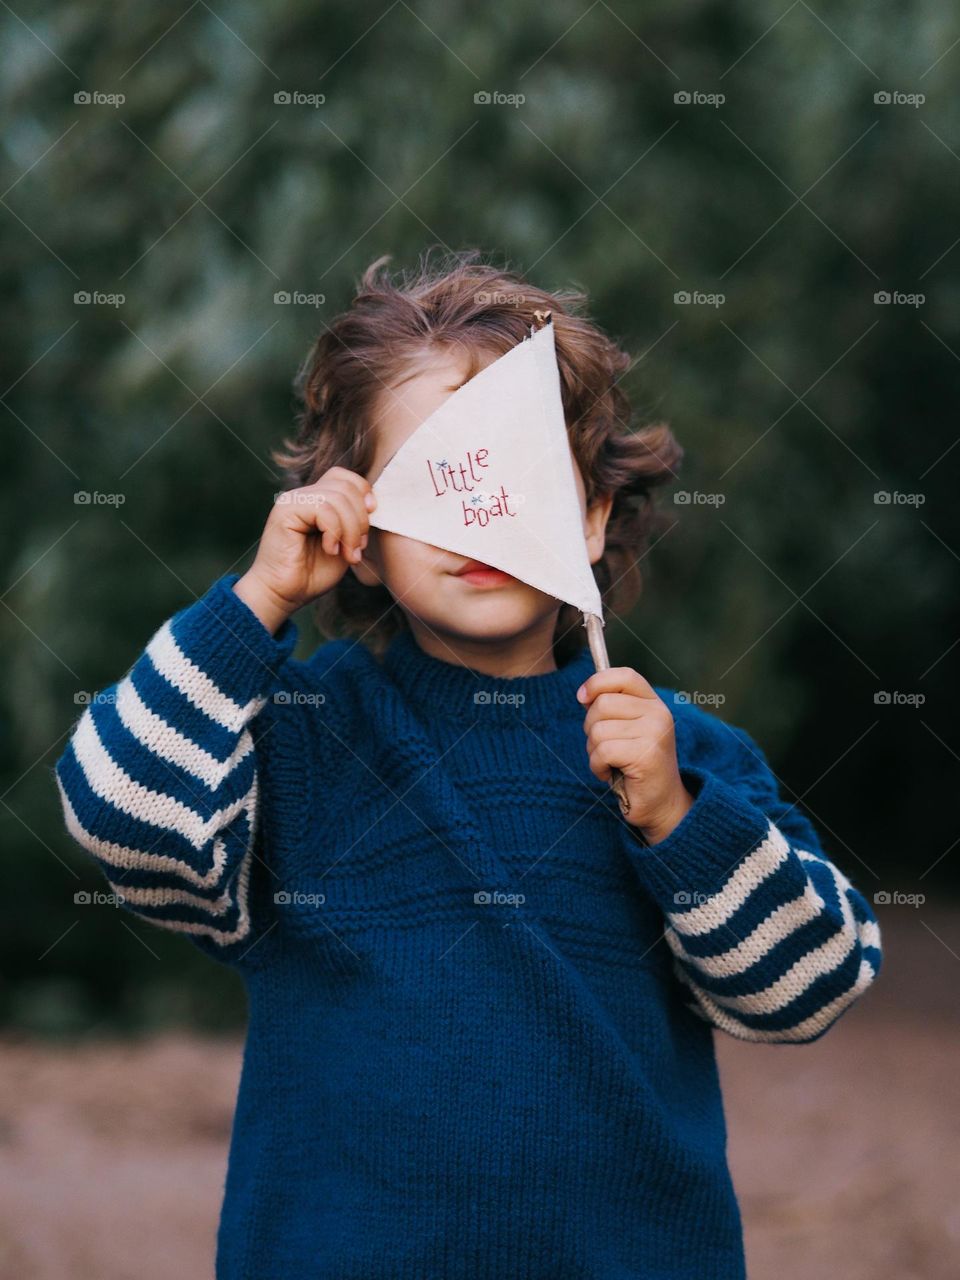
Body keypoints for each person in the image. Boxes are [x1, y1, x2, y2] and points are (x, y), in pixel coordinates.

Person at [54, 248, 882, 1279]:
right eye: (438, 478)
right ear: (359, 529)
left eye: (516, 474)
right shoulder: (298, 734)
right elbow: (117, 813)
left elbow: (812, 984)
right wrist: (254, 605)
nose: (478, 514)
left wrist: (679, 822)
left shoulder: (683, 756)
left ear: (589, 515)